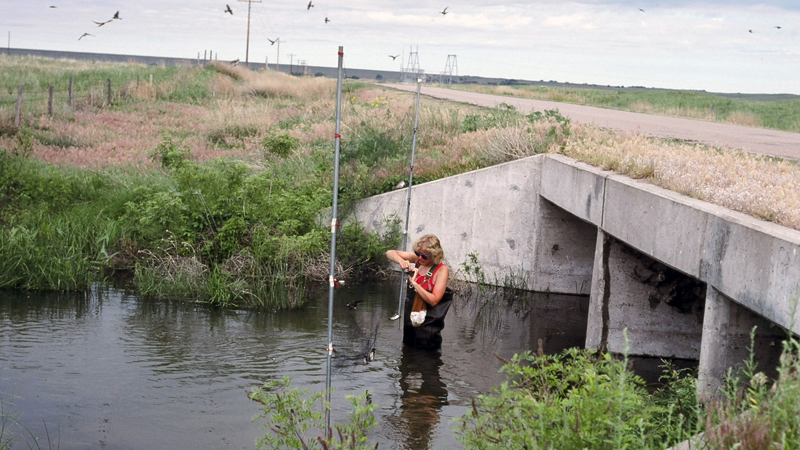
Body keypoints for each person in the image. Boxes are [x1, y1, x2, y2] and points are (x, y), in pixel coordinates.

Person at [386, 234, 452, 348]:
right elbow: (389, 253)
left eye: (424, 256)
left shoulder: (441, 270)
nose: (420, 258)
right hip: (410, 325)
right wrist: (401, 261)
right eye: (418, 254)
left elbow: (434, 300)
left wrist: (415, 284)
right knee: (407, 355)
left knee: (424, 360)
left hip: (428, 332)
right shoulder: (418, 260)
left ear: (434, 255)